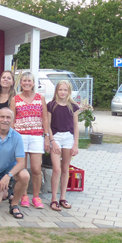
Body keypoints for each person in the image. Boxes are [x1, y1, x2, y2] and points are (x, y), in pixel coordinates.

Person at [12, 72, 51, 210]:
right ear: (20, 83)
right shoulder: (15, 99)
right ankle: (24, 196)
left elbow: (45, 118)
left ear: (34, 83)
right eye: (24, 81)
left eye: (29, 80)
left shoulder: (40, 98)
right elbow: (12, 119)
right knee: (21, 168)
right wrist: (11, 139)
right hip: (20, 136)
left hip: (36, 136)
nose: (27, 83)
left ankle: (36, 196)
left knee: (36, 169)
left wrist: (47, 137)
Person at [47, 81, 80, 211]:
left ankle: (63, 197)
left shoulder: (73, 106)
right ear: (56, 91)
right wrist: (52, 141)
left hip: (68, 138)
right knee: (56, 168)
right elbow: (48, 125)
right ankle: (53, 198)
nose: (63, 92)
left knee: (65, 168)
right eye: (60, 89)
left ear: (69, 91)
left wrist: (75, 144)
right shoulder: (51, 106)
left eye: (65, 90)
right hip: (56, 136)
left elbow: (76, 126)